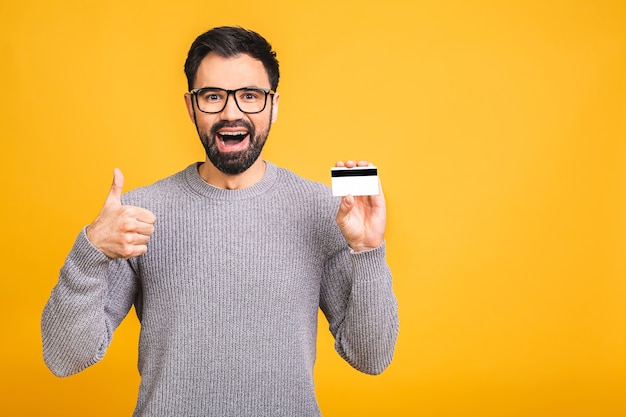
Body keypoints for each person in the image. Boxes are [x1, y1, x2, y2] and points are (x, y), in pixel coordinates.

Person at [41, 26, 399, 417]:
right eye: (213, 96)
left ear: (274, 105)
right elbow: (63, 358)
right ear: (190, 105)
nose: (232, 113)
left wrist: (367, 251)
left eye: (250, 96)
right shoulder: (138, 213)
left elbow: (372, 357)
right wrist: (89, 250)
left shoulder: (324, 209)